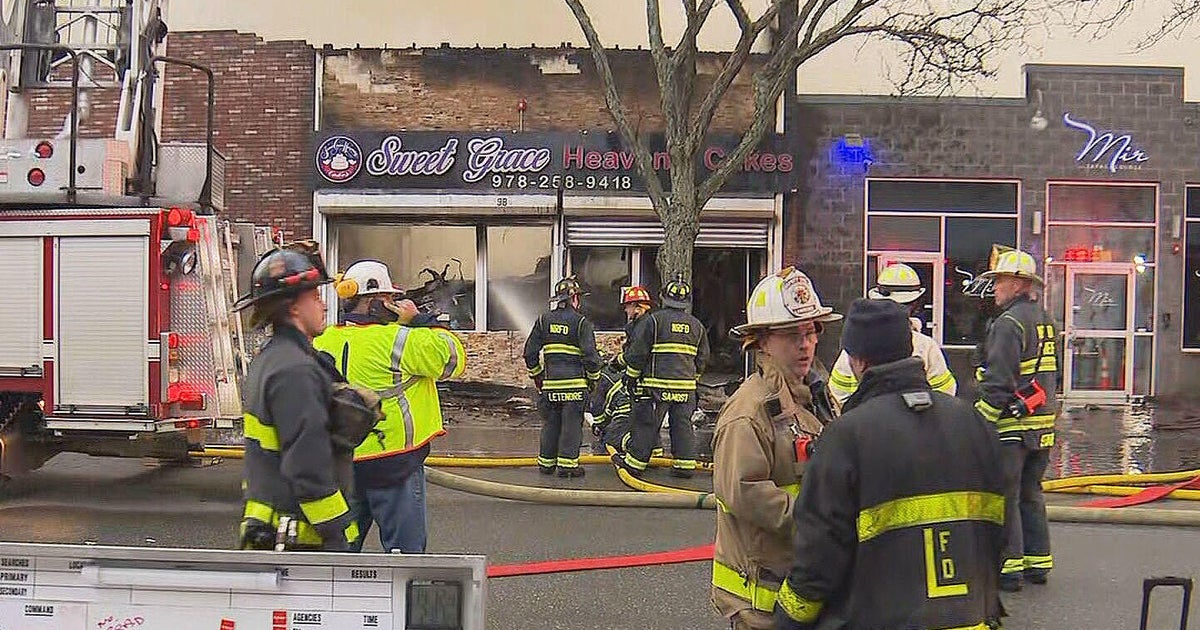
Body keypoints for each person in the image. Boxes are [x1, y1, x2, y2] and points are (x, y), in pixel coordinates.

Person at [773, 298, 1006, 630]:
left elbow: (820, 554)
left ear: (857, 359)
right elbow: (1001, 530)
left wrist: (789, 618)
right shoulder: (974, 424)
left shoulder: (847, 436)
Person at [709, 267, 841, 630]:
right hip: (762, 600)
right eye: (791, 335)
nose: (805, 344)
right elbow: (744, 490)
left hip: (804, 586)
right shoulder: (749, 411)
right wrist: (822, 522)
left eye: (811, 331)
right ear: (761, 341)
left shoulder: (817, 395)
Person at [313, 259, 466, 553]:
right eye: (390, 299)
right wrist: (420, 320)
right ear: (374, 303)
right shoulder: (399, 339)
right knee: (404, 557)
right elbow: (453, 359)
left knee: (337, 555)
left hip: (341, 464)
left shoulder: (323, 341)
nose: (395, 304)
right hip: (394, 465)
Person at [233, 241, 359, 552]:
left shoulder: (272, 359)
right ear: (293, 307)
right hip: (302, 542)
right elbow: (307, 464)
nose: (324, 304)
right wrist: (336, 532)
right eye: (315, 296)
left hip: (272, 529)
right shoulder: (296, 371)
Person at [974, 249, 1059, 592]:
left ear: (1019, 284)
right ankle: (1037, 564)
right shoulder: (1046, 320)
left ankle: (1008, 569)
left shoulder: (1009, 324)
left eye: (1000, 281)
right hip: (1043, 427)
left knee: (1005, 495)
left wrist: (979, 423)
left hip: (1012, 428)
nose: (995, 288)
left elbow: (998, 382)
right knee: (1030, 493)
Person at [616, 275, 709, 478]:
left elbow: (638, 354)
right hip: (685, 389)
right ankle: (684, 466)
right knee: (682, 425)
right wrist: (693, 379)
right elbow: (702, 358)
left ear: (664, 298)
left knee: (646, 423)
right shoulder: (697, 326)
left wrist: (631, 377)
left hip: (656, 387)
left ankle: (634, 464)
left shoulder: (654, 321)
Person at [828, 262, 957, 404]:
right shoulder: (926, 347)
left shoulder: (854, 349)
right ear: (915, 305)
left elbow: (837, 399)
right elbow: (945, 397)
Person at [524, 277, 603, 477]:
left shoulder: (544, 320)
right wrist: (594, 379)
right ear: (574, 298)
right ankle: (567, 466)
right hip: (575, 386)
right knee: (571, 425)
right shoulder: (581, 323)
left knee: (551, 423)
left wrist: (538, 376)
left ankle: (546, 464)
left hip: (550, 387)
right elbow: (591, 357)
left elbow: (530, 353)